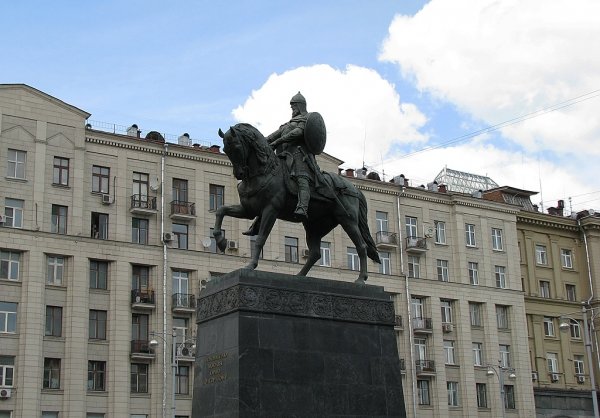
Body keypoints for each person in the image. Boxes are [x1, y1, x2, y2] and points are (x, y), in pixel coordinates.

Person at [266, 91, 315, 220]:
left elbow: (297, 133)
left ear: (300, 106)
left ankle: (303, 207)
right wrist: (259, 142)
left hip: (300, 155)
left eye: (294, 107)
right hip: (284, 156)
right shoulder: (289, 123)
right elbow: (273, 135)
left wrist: (277, 142)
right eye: (291, 107)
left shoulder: (306, 119)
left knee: (301, 179)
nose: (292, 109)